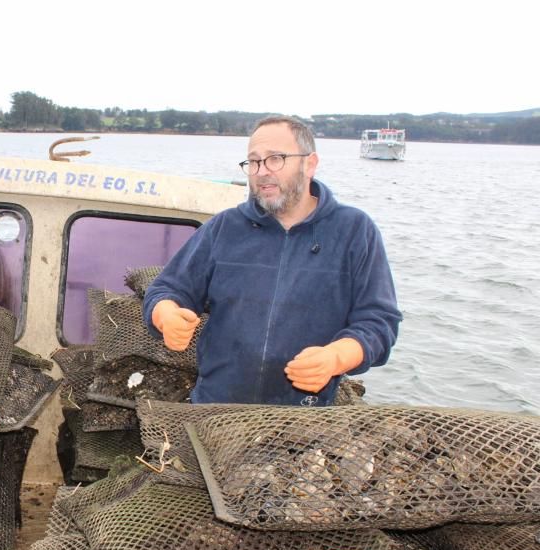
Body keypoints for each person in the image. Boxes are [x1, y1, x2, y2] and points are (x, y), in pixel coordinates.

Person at [142, 116, 401, 406]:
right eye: (253, 162)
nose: (262, 172)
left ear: (310, 164)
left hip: (304, 418)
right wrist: (166, 316)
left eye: (275, 159)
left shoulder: (355, 230)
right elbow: (166, 290)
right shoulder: (224, 228)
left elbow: (379, 323)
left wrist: (336, 357)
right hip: (213, 408)